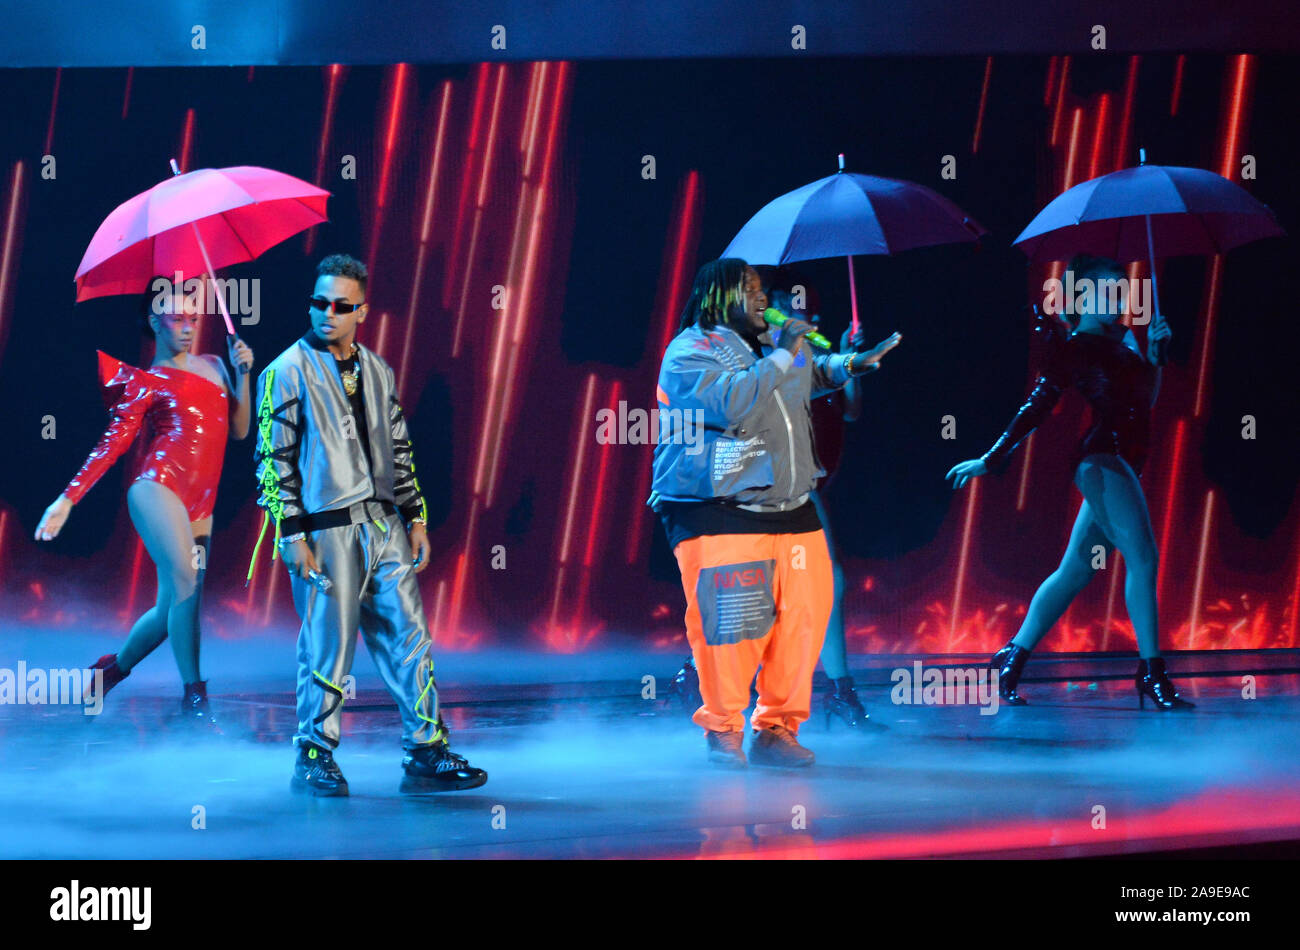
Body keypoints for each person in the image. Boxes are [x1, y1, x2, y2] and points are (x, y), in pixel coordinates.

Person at [650, 258, 901, 769]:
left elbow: (807, 378)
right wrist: (785, 353)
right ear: (718, 296)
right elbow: (732, 402)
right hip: (716, 505)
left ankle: (777, 729)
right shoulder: (689, 351)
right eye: (749, 289)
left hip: (788, 503)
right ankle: (721, 730)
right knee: (734, 625)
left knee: (803, 617)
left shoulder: (771, 346)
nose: (763, 298)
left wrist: (851, 364)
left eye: (762, 288)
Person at [252, 253, 487, 796]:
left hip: (385, 527)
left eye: (340, 306)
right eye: (318, 303)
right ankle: (313, 753)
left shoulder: (377, 370)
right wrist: (291, 533)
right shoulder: (286, 370)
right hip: (326, 528)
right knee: (328, 645)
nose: (326, 314)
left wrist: (416, 518)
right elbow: (272, 460)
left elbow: (399, 450)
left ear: (362, 311)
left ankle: (426, 751)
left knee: (410, 637)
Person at [946, 254, 1192, 711]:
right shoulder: (1076, 347)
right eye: (1107, 291)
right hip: (1103, 459)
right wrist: (990, 458)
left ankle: (1011, 655)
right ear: (1081, 297)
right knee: (1144, 558)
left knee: (1076, 570)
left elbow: (1144, 402)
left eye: (1123, 291)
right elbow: (1038, 406)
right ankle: (1152, 674)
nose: (1119, 300)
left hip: (1124, 461)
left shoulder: (1128, 339)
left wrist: (1157, 356)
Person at [35, 278, 254, 724]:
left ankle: (109, 671)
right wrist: (67, 500)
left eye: (193, 318)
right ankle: (195, 698)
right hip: (158, 488)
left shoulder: (215, 363)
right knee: (187, 587)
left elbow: (240, 430)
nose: (188, 326)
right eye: (177, 319)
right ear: (155, 322)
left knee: (174, 603)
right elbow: (111, 446)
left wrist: (244, 374)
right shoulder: (145, 381)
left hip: (202, 504)